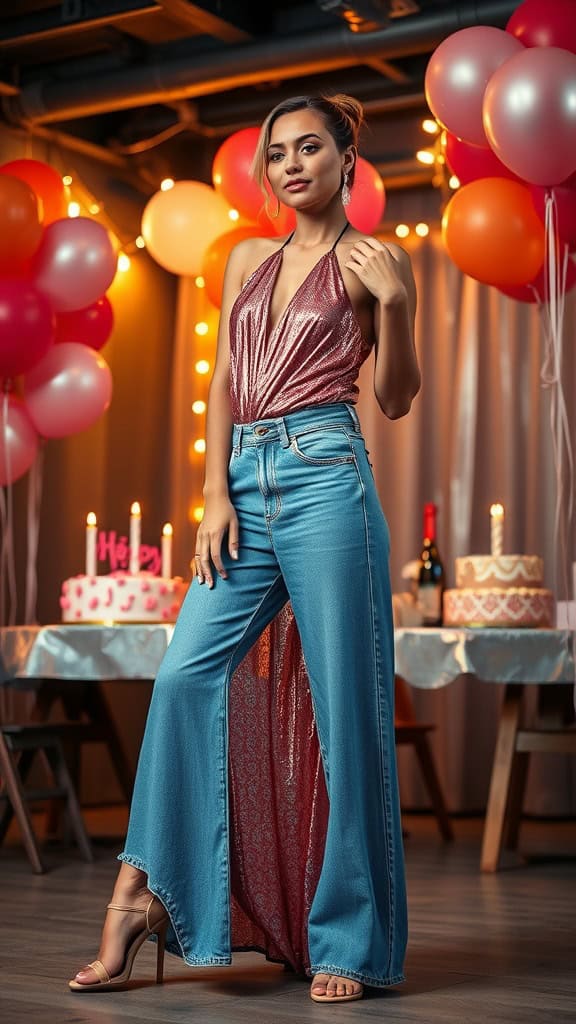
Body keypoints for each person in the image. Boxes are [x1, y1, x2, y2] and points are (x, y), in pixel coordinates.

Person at [69, 92, 420, 1004]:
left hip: (327, 476)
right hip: (247, 486)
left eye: (311, 148)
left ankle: (348, 937)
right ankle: (140, 898)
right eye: (277, 153)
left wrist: (402, 307)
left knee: (345, 717)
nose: (290, 165)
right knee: (186, 674)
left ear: (349, 159)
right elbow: (228, 376)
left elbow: (392, 400)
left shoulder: (372, 263)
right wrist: (213, 492)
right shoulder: (245, 260)